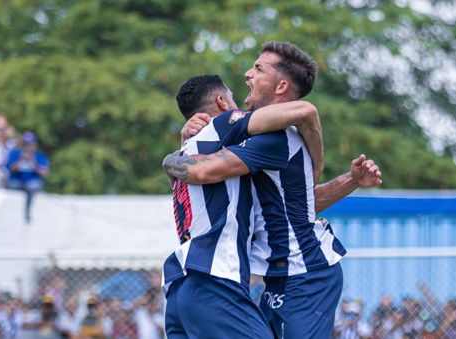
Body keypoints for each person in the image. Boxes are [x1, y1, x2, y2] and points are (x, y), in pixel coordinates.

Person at [165, 42, 381, 338]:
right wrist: (351, 181)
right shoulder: (254, 138)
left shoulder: (274, 138)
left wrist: (174, 159)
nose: (247, 74)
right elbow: (302, 203)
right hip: (278, 276)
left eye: (258, 68)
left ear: (281, 86)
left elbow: (201, 171)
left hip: (307, 273)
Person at [162, 74, 331, 339]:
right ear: (221, 101)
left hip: (178, 291)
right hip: (214, 281)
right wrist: (317, 165)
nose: (241, 100)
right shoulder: (222, 124)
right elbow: (303, 110)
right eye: (232, 97)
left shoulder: (184, 152)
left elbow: (297, 203)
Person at [6, 131, 50, 223]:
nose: (28, 146)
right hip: (17, 181)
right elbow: (11, 169)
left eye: (30, 144)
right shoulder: (15, 153)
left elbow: (44, 173)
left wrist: (33, 161)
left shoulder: (40, 156)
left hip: (32, 182)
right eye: (25, 144)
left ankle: (28, 213)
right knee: (11, 186)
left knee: (33, 186)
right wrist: (21, 159)